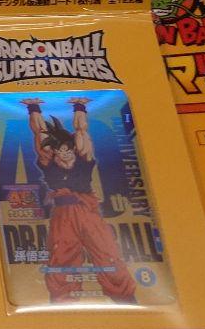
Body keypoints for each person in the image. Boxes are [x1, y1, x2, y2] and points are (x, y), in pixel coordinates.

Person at [23, 97, 136, 304]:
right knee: (61, 257)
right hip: (63, 215)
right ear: (54, 152)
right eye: (59, 151)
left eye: (67, 150)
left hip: (86, 210)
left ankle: (125, 297)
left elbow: (81, 130)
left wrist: (79, 106)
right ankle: (62, 301)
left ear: (73, 149)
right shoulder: (49, 162)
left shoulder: (83, 158)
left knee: (107, 251)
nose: (64, 154)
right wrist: (33, 108)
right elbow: (39, 132)